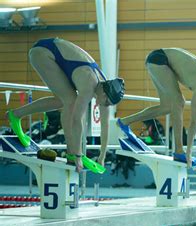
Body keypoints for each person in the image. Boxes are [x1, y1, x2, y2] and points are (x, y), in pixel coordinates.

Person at [7, 38, 124, 173]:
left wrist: (102, 156)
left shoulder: (104, 87)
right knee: (70, 101)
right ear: (104, 95)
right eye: (107, 103)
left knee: (62, 100)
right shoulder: (89, 84)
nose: (106, 107)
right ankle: (70, 152)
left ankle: (15, 115)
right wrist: (78, 155)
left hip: (54, 54)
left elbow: (105, 125)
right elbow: (76, 120)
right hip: (43, 52)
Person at [116, 48, 196, 167]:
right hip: (159, 59)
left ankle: (124, 122)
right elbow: (194, 122)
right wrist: (188, 152)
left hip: (162, 62)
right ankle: (179, 150)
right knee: (179, 102)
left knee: (166, 107)